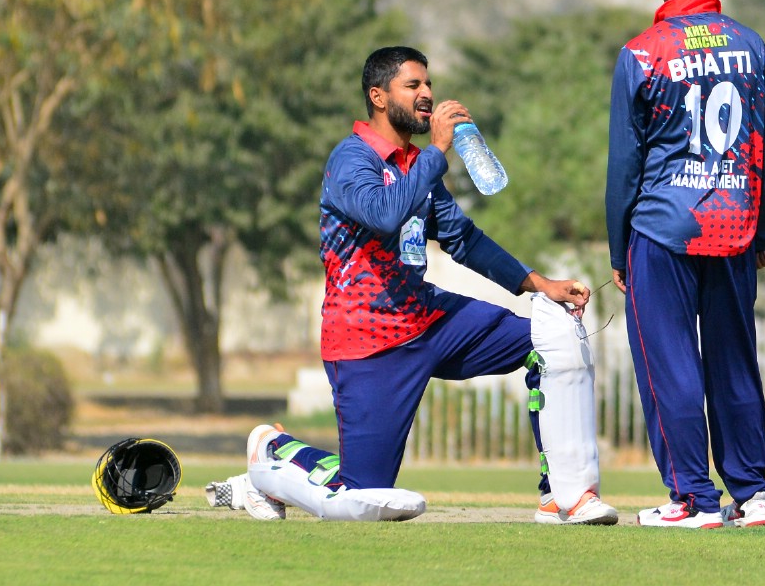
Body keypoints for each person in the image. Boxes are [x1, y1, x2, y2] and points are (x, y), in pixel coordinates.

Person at [207, 45, 617, 524]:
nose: (427, 95)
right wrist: (438, 152)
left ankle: (562, 495)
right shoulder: (351, 159)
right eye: (413, 85)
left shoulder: (416, 163)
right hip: (368, 340)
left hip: (429, 319)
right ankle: (271, 453)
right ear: (378, 97)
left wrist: (540, 284)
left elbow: (463, 239)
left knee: (549, 337)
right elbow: (385, 214)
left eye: (428, 84)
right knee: (364, 496)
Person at [606, 0, 765, 528]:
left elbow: (625, 165)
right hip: (734, 223)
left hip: (662, 228)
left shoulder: (640, 54)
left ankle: (692, 499)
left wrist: (618, 248)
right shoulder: (751, 46)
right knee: (734, 360)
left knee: (670, 364)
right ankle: (752, 495)